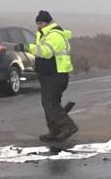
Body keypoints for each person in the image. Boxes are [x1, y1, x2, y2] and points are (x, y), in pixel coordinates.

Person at [20, 10, 77, 142]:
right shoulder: (44, 34)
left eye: (41, 23)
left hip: (56, 75)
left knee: (50, 103)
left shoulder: (54, 35)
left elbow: (45, 52)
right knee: (49, 104)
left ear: (48, 22)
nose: (39, 25)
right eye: (38, 23)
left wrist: (28, 47)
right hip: (49, 74)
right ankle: (54, 131)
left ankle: (68, 126)